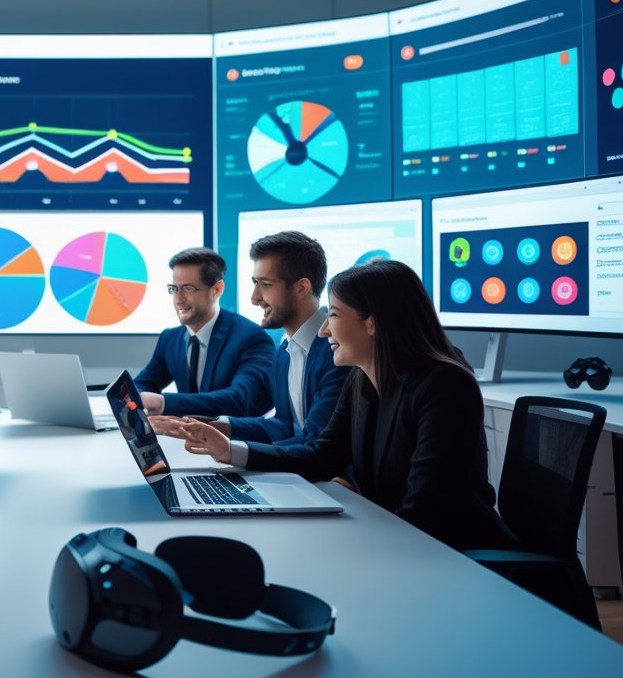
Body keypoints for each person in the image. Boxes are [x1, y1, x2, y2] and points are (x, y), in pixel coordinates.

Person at [162, 259, 517, 552]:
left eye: (333, 315)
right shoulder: (362, 378)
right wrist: (229, 450)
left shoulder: (444, 386)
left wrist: (361, 506)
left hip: (456, 557)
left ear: (372, 323)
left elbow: (426, 514)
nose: (324, 331)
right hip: (396, 544)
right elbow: (321, 456)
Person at [161, 231, 350, 446]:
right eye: (255, 283)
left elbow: (317, 446)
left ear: (301, 288)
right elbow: (284, 426)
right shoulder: (285, 351)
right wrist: (206, 427)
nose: (254, 298)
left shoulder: (336, 352)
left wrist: (233, 452)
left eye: (265, 284)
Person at [133, 247, 274, 418]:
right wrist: (136, 397)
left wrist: (163, 403)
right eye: (174, 289)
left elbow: (241, 399)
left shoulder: (251, 338)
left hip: (231, 434)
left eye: (188, 288)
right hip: (183, 434)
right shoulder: (170, 339)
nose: (178, 299)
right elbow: (142, 384)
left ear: (216, 290)